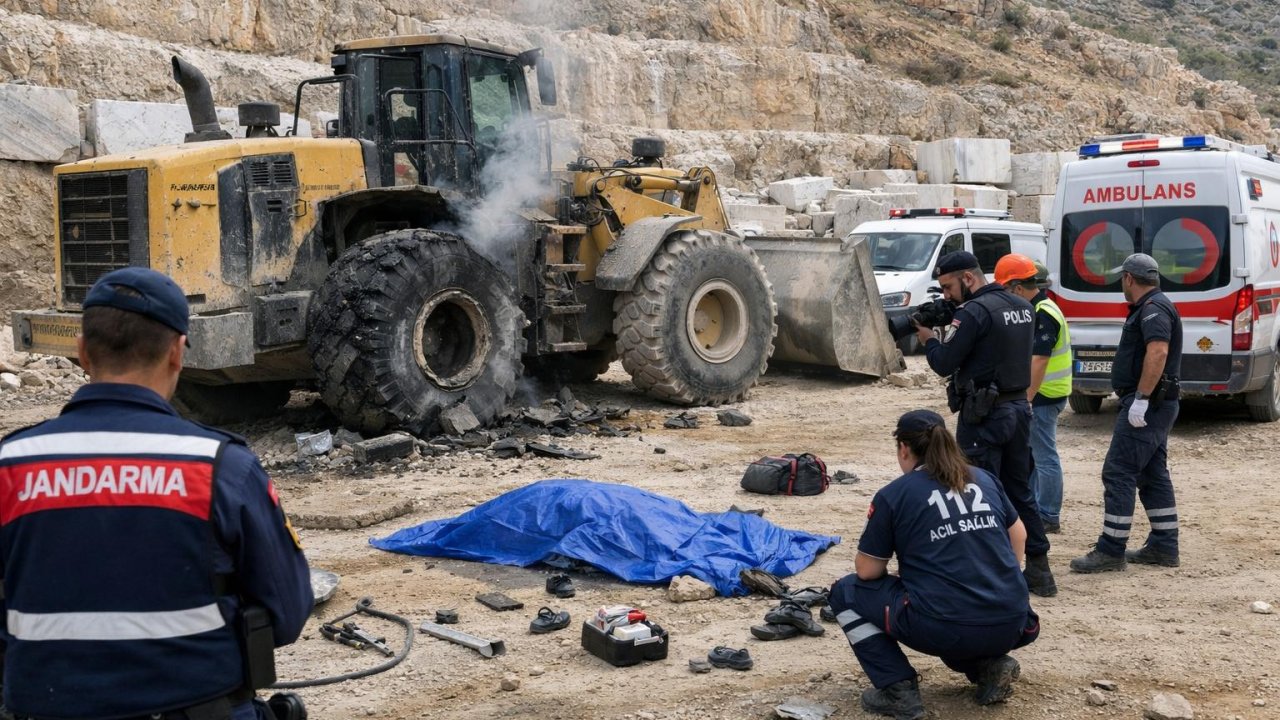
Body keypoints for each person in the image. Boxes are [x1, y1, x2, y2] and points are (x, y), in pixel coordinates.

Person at [0, 268, 313, 719]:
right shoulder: (221, 467)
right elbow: (288, 612)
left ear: (82, 351)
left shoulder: (12, 464)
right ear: (177, 352)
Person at [829, 410, 1039, 720]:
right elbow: (1019, 536)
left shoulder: (895, 495)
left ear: (904, 448)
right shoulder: (983, 479)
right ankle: (988, 668)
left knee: (844, 592)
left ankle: (897, 689)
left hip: (947, 625)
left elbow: (867, 572)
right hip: (1015, 621)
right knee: (950, 605)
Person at [914, 251, 1057, 597]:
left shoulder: (974, 312)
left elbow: (945, 362)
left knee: (977, 493)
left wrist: (929, 339)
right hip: (1018, 409)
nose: (946, 294)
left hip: (985, 417)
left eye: (948, 286)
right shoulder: (1022, 305)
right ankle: (1039, 570)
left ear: (968, 278)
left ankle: (988, 573)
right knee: (1019, 490)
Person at [1071, 253, 1182, 573]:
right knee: (1152, 473)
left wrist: (1142, 399)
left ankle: (1111, 549)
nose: (1122, 283)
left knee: (1118, 471)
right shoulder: (1156, 306)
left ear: (1130, 279)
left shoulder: (1152, 309)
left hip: (1150, 404)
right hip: (1157, 404)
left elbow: (1158, 351)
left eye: (1123, 278)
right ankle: (1164, 544)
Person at [996, 255, 1072, 534]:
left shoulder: (1043, 312)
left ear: (1018, 287)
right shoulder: (1041, 307)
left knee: (1044, 457)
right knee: (1036, 456)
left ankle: (1049, 514)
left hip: (1044, 395)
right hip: (1045, 393)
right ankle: (1037, 508)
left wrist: (1026, 398)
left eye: (1007, 289)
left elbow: (1040, 359)